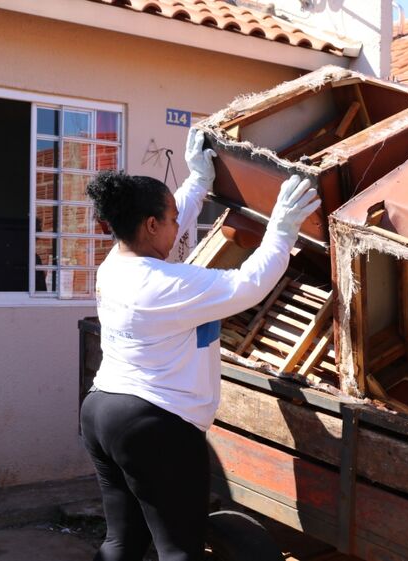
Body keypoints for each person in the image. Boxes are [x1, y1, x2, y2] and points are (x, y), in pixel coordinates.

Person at [80, 128, 319, 561]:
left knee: (123, 541)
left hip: (103, 412)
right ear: (150, 225)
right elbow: (248, 285)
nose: (179, 224)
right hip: (154, 425)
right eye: (169, 219)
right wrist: (282, 231)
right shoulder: (164, 285)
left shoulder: (118, 263)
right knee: (179, 549)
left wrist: (198, 181)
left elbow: (175, 218)